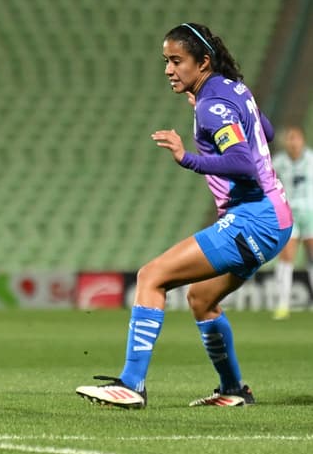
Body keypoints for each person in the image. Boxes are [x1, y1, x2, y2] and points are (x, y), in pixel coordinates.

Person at [76, 22, 292, 409]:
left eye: (177, 61)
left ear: (203, 61)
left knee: (151, 277)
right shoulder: (232, 89)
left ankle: (131, 384)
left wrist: (186, 157)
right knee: (202, 298)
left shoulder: (211, 106)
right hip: (275, 217)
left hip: (253, 220)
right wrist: (230, 115)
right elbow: (268, 130)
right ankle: (232, 390)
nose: (168, 70)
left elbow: (242, 162)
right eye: (166, 61)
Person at [272, 125, 313, 319]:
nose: (293, 142)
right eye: (289, 138)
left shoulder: (311, 159)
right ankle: (283, 305)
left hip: (310, 213)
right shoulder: (278, 162)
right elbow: (267, 182)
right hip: (288, 214)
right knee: (286, 257)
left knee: (312, 257)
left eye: (296, 138)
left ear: (302, 140)